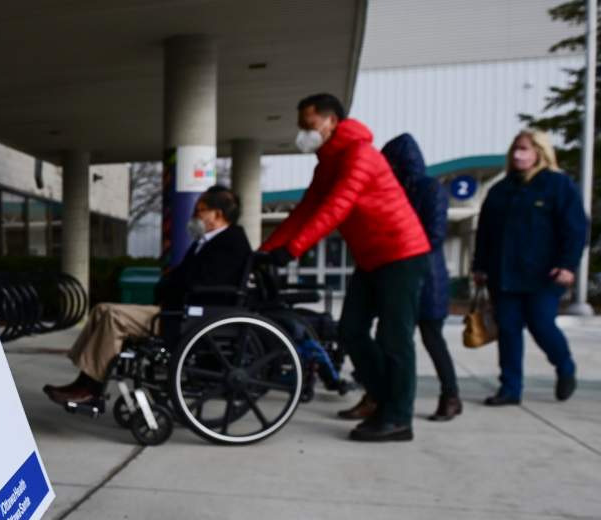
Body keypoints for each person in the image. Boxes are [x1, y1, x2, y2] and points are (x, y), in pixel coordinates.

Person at [259, 93, 431, 442]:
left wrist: (292, 250)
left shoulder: (360, 156)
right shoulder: (328, 162)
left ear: (331, 121)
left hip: (402, 254)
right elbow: (307, 209)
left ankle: (398, 418)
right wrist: (266, 250)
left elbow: (337, 208)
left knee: (394, 339)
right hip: (371, 258)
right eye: (301, 127)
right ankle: (384, 399)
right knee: (350, 330)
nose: (303, 134)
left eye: (308, 125)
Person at [44, 186, 251, 404]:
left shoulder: (231, 243)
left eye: (200, 210)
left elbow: (197, 283)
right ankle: (84, 380)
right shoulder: (207, 242)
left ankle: (91, 388)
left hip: (189, 317)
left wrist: (172, 285)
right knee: (101, 309)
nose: (194, 216)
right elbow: (180, 278)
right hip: (177, 309)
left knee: (113, 316)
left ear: (217, 215)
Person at [341, 134, 461, 421]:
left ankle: (451, 395)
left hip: (425, 277)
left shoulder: (430, 189)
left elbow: (435, 234)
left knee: (432, 340)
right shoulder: (389, 190)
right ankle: (376, 397)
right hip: (393, 277)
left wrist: (403, 252)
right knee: (388, 341)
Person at [472, 129, 588, 405]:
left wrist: (567, 265)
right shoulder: (500, 190)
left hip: (543, 275)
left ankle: (565, 366)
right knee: (509, 330)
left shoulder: (557, 186)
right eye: (515, 149)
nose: (518, 155)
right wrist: (479, 266)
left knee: (541, 324)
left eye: (524, 149)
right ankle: (510, 388)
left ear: (539, 152)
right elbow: (485, 232)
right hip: (503, 276)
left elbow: (575, 229)